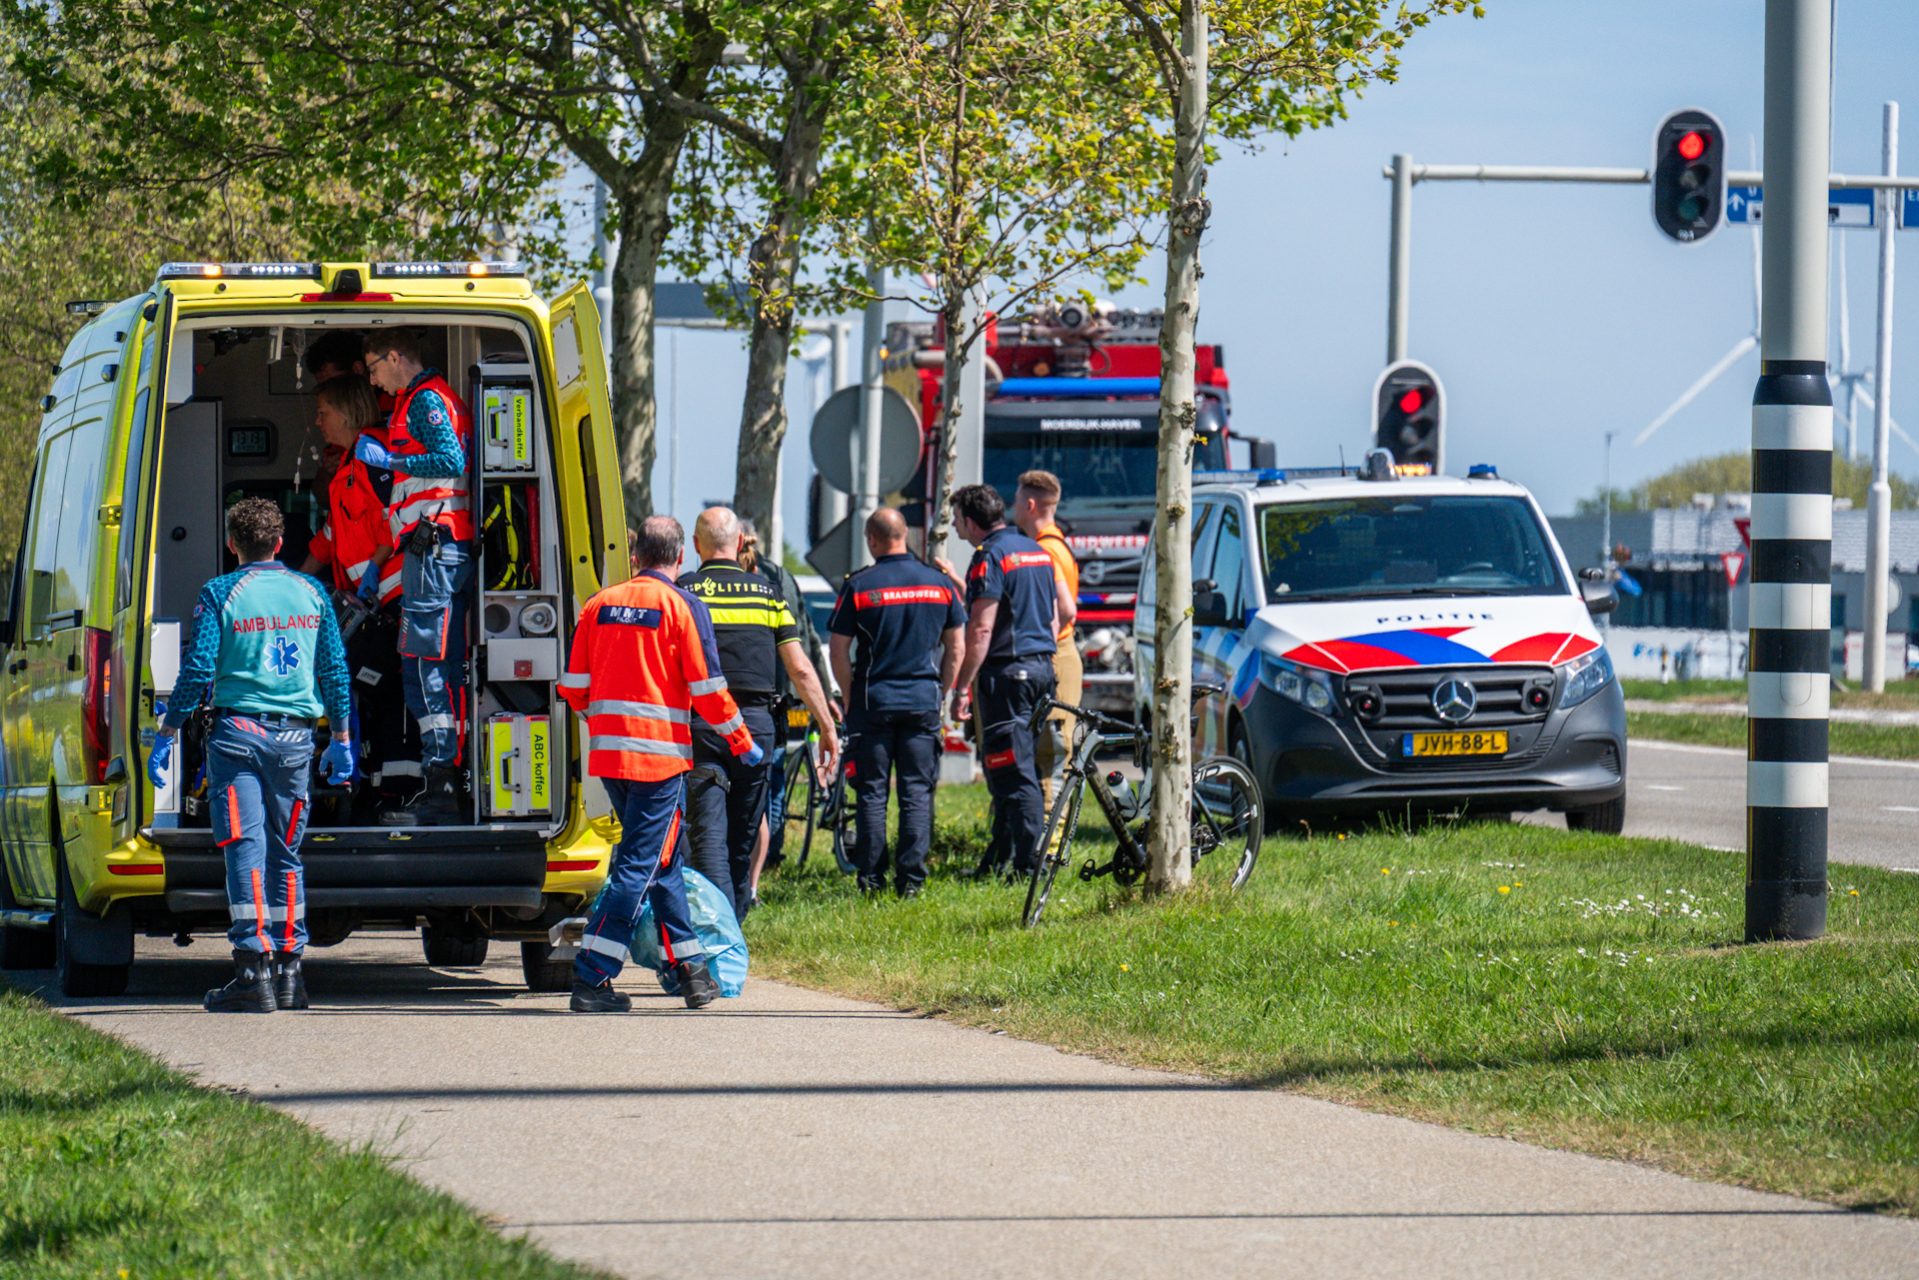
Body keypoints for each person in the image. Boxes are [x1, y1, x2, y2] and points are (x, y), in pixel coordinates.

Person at [149, 499, 354, 1012]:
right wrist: (345, 740)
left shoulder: (221, 592)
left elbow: (197, 670)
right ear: (281, 544)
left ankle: (250, 971)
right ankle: (290, 973)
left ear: (231, 544)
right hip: (296, 744)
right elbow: (333, 671)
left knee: (244, 848)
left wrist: (169, 730)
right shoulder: (312, 593)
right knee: (286, 854)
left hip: (238, 737)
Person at [559, 516, 749, 1012]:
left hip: (611, 758)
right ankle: (591, 978)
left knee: (663, 865)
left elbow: (573, 688)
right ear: (680, 558)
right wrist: (742, 742)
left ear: (635, 555)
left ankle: (691, 972)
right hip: (659, 762)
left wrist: (605, 721)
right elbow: (709, 691)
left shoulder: (598, 605)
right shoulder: (683, 606)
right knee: (639, 868)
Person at [678, 507, 839, 918]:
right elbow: (800, 668)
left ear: (697, 546)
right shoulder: (768, 594)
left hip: (700, 723)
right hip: (754, 727)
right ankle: (732, 920)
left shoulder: (683, 592)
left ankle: (715, 930)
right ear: (738, 544)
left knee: (706, 831)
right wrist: (826, 725)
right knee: (744, 833)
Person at [357, 330, 476, 826]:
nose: (372, 379)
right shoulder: (418, 400)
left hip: (435, 546)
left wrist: (394, 460)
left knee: (424, 666)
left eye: (373, 367)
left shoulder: (425, 400)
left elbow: (451, 460)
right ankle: (442, 777)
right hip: (432, 547)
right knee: (430, 666)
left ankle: (441, 782)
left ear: (393, 355)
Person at [828, 509, 964, 897]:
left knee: (871, 793)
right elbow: (957, 646)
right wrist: (944, 689)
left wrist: (851, 693)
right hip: (922, 700)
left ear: (872, 539)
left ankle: (872, 880)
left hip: (874, 701)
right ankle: (911, 883)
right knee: (916, 793)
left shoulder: (860, 586)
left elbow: (839, 649)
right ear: (906, 535)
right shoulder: (939, 585)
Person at [298, 376, 413, 815]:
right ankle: (371, 784)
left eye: (324, 412)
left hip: (392, 594)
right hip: (369, 603)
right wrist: (287, 581)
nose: (318, 421)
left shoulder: (372, 455)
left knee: (388, 689)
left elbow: (395, 515)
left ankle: (397, 789)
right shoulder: (345, 470)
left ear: (346, 413)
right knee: (362, 686)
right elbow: (327, 540)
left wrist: (374, 571)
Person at [949, 484, 1058, 878]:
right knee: (1014, 765)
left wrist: (962, 687)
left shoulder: (989, 557)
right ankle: (999, 859)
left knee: (1014, 771)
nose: (955, 527)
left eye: (957, 519)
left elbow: (981, 629)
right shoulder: (1036, 551)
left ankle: (1029, 866)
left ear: (971, 520)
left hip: (1008, 673)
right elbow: (1056, 616)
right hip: (1042, 668)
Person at [737, 519, 838, 901]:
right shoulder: (783, 580)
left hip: (733, 702)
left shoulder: (718, 584)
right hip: (777, 698)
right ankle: (768, 857)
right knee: (772, 781)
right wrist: (822, 693)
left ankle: (739, 863)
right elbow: (807, 637)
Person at [1009, 470, 1081, 824]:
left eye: (1017, 500)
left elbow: (1064, 611)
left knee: (1053, 749)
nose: (1013, 507)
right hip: (1057, 653)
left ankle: (1051, 844)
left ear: (1031, 504)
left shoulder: (1045, 551)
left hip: (1056, 655)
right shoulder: (1056, 544)